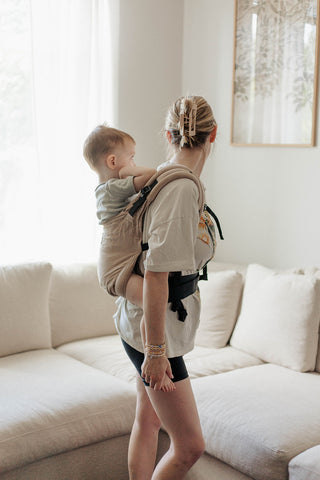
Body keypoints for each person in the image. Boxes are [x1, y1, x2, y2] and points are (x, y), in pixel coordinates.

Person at [114, 95, 218, 479]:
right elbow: (158, 274)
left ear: (168, 134)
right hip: (155, 335)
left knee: (148, 421)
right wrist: (156, 353)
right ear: (213, 135)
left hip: (140, 323)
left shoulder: (164, 176)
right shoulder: (180, 189)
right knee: (191, 447)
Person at [83, 124, 175, 393]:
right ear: (113, 161)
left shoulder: (114, 189)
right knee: (153, 302)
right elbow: (152, 176)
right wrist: (130, 170)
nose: (134, 161)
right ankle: (154, 358)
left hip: (117, 264)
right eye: (131, 156)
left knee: (154, 302)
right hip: (114, 271)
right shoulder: (111, 189)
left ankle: (154, 356)